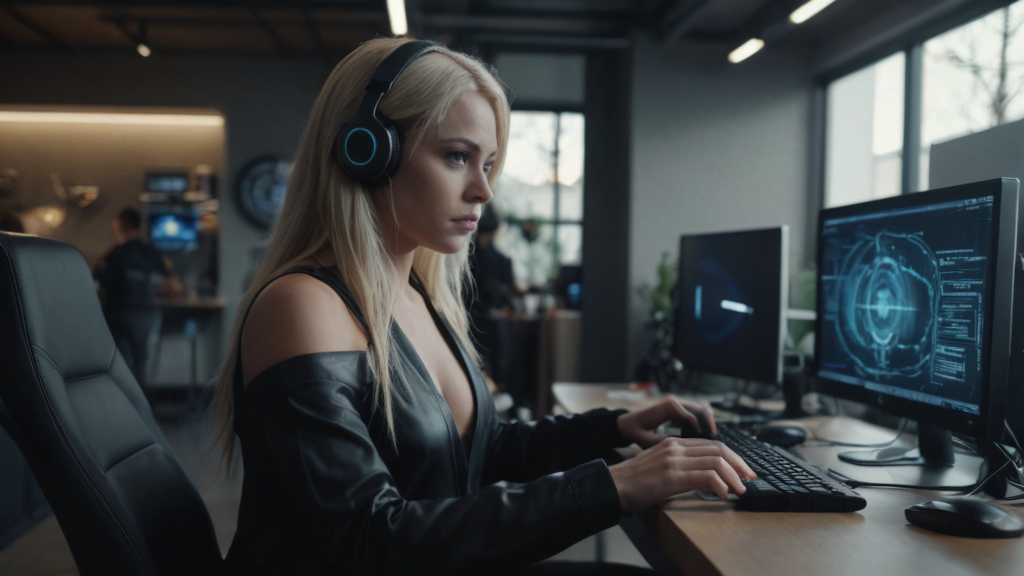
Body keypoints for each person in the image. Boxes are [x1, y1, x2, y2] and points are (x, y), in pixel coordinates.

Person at [214, 37, 755, 575]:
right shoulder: (304, 306)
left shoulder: (415, 295)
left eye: (489, 163)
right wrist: (615, 485)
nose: (483, 191)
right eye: (456, 157)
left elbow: (479, 450)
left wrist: (610, 430)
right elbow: (367, 539)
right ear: (367, 152)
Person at [94, 207, 182, 388]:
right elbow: (174, 286)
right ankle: (143, 410)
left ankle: (122, 409)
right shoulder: (152, 252)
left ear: (119, 227)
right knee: (141, 365)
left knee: (120, 366)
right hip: (146, 315)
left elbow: (97, 281)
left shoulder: (114, 254)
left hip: (118, 314)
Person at [467, 203, 517, 381]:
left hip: (474, 321)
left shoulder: (467, 259)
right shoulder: (502, 261)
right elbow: (509, 298)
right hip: (486, 323)